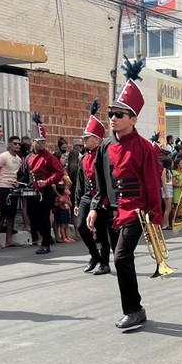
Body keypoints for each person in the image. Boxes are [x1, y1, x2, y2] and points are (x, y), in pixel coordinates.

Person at [88, 58, 163, 330]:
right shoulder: (105, 146)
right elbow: (99, 180)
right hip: (113, 210)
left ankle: (133, 309)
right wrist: (95, 206)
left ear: (133, 118)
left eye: (120, 115)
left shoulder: (145, 148)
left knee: (120, 257)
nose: (114, 119)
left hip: (137, 212)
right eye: (111, 114)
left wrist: (156, 214)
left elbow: (152, 182)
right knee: (122, 259)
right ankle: (137, 308)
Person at [76, 100, 111, 275]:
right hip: (88, 196)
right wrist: (77, 201)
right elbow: (80, 181)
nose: (83, 141)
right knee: (81, 226)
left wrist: (104, 201)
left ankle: (104, 263)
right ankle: (94, 255)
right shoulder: (83, 158)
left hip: (103, 197)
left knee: (103, 233)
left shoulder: (105, 155)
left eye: (86, 138)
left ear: (96, 139)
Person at [27, 115, 66, 254]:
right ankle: (46, 237)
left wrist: (47, 182)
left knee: (43, 216)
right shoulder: (30, 157)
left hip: (46, 191)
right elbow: (27, 173)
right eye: (38, 142)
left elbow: (59, 173)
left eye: (43, 141)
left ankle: (45, 243)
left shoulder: (49, 157)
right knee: (32, 216)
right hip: (33, 190)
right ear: (33, 142)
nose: (41, 144)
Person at [0, 135, 23, 248]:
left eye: (19, 144)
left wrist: (17, 182)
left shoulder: (19, 159)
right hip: (2, 187)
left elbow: (16, 174)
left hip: (13, 189)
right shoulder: (3, 156)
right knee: (2, 215)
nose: (17, 146)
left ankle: (9, 240)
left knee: (11, 215)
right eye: (15, 143)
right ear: (9, 144)